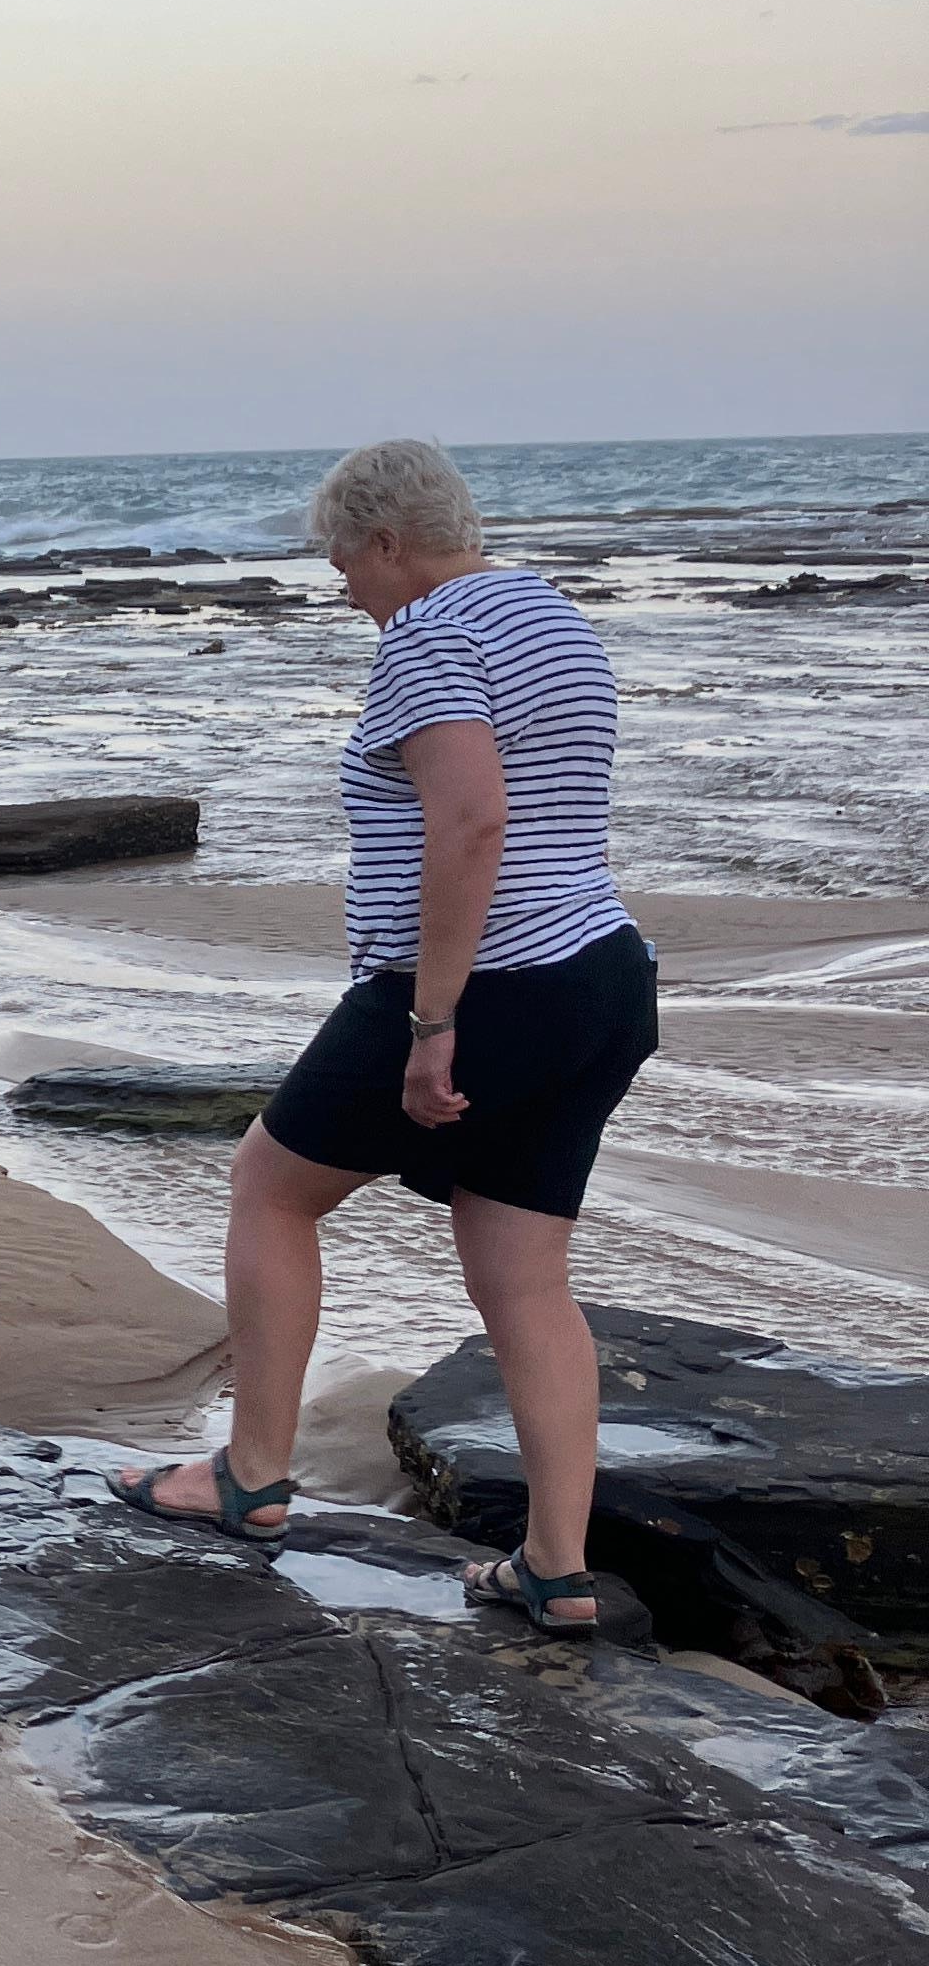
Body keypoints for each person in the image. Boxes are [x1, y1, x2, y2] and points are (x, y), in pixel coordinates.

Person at [111, 437, 657, 1628]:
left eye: (343, 562)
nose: (344, 587)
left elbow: (471, 822)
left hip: (489, 980)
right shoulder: (551, 615)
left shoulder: (428, 632)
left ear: (387, 542)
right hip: (602, 977)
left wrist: (432, 1019)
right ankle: (555, 1566)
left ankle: (250, 1476)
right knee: (522, 1273)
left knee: (271, 1188)